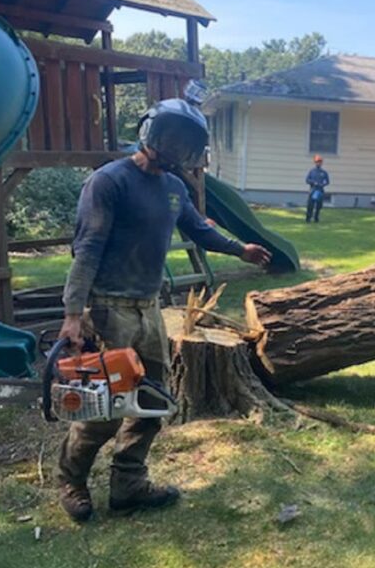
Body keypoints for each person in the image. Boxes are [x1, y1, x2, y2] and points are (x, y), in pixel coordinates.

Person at [56, 99, 271, 522]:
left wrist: (239, 249)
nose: (176, 146)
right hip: (108, 310)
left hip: (149, 309)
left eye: (185, 141)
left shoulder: (174, 189)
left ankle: (128, 484)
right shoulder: (108, 182)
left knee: (151, 400)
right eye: (171, 136)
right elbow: (87, 251)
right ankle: (71, 480)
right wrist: (73, 312)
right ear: (151, 132)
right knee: (102, 408)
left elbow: (199, 227)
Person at [305, 155, 330, 222]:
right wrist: (313, 182)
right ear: (315, 162)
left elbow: (327, 182)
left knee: (319, 206)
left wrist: (323, 184)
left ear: (321, 163)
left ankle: (316, 218)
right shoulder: (312, 171)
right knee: (310, 205)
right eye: (317, 162)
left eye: (320, 162)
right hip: (313, 189)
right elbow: (307, 180)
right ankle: (308, 218)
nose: (318, 163)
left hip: (320, 190)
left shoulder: (324, 172)